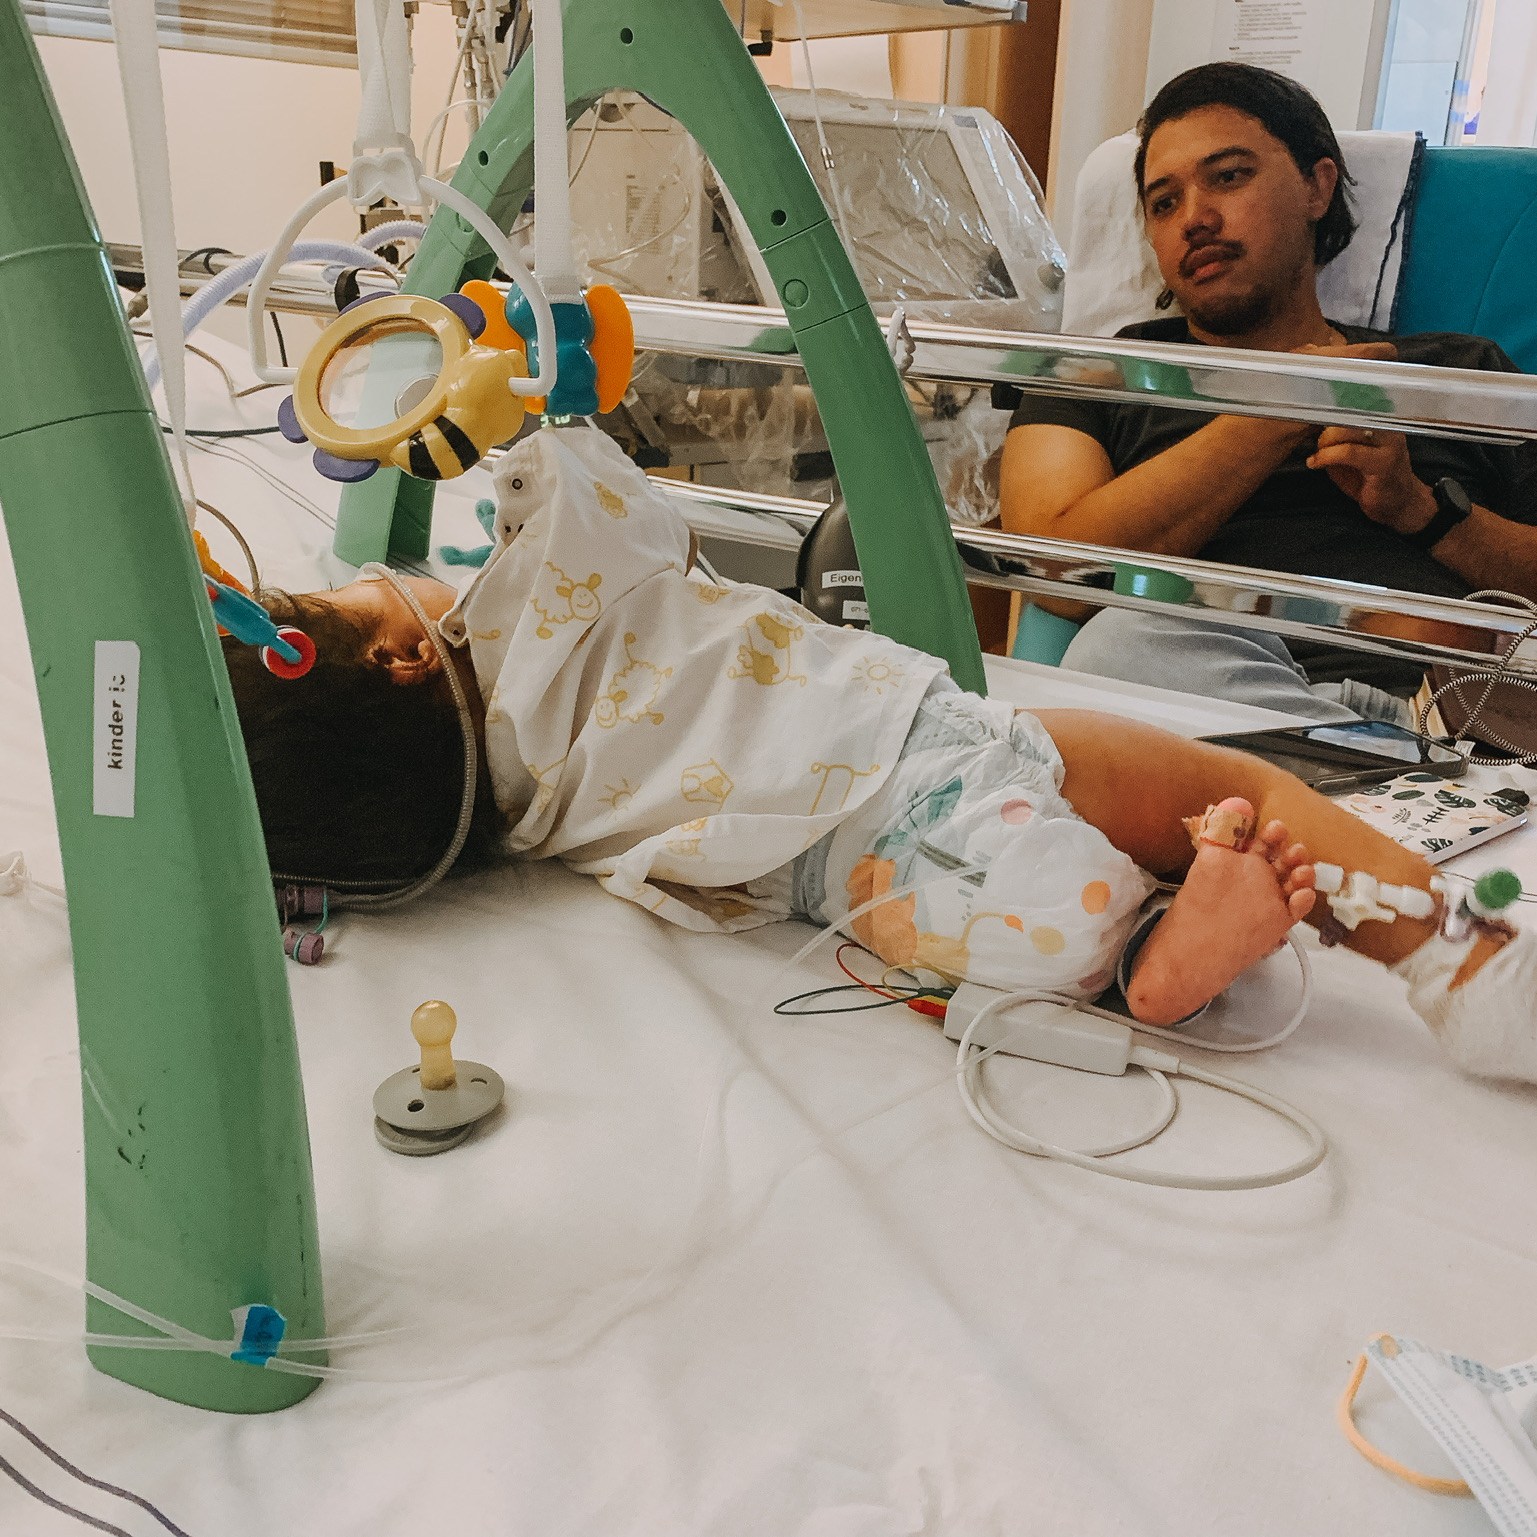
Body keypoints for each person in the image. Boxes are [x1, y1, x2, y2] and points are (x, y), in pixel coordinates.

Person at [222, 423, 1536, 1080]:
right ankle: (1455, 953)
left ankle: (1145, 950)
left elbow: (312, 811)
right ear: (400, 656)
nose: (390, 576)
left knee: (1035, 912)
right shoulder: (532, 611)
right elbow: (601, 490)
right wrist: (511, 418)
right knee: (1234, 787)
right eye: (350, 591)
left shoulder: (507, 804)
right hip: (918, 752)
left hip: (845, 879)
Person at [1000, 62, 1537, 721]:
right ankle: (1355, 752)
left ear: (1317, 186)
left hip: (1438, 707)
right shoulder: (1094, 373)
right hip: (1192, 700)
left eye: (1228, 176)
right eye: (1163, 203)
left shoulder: (1454, 371)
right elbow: (1054, 574)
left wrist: (1421, 511)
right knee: (1119, 646)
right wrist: (1278, 410)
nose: (1194, 219)